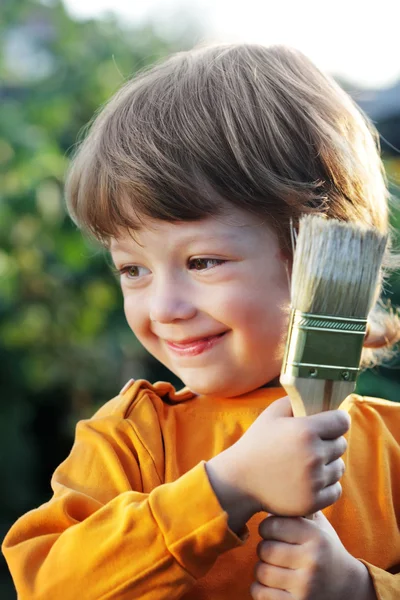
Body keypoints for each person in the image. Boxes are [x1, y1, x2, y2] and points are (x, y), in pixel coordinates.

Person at [2, 43, 400, 600]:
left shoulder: (391, 446)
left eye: (202, 262)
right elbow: (48, 585)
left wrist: (360, 589)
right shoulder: (131, 440)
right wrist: (227, 488)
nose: (164, 308)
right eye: (132, 269)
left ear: (321, 248)